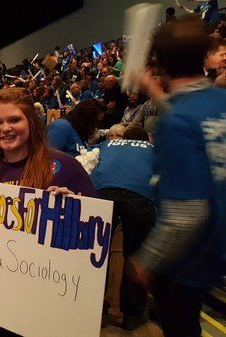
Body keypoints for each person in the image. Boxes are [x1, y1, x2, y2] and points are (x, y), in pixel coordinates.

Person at [0, 87, 96, 337]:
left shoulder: (65, 166)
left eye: (14, 119)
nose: (6, 128)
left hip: (50, 304)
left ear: (31, 122)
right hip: (1, 304)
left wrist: (75, 209)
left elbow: (94, 235)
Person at [129, 17, 226, 337]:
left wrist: (147, 261)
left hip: (188, 258)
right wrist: (154, 90)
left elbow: (187, 215)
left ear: (161, 63)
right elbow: (191, 123)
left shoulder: (177, 122)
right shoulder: (218, 100)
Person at [91, 128, 155, 330]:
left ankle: (94, 311)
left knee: (96, 254)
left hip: (102, 191)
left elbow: (87, 164)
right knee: (135, 254)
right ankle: (132, 315)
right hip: (139, 196)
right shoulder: (153, 149)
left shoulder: (106, 144)